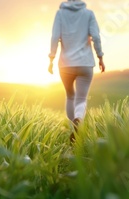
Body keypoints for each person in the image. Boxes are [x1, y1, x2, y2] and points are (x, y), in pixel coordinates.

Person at [48, 0, 105, 142]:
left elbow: (55, 37)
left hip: (65, 64)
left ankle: (73, 127)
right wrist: (100, 57)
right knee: (81, 98)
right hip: (85, 63)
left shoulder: (60, 14)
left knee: (70, 96)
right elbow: (96, 37)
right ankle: (78, 119)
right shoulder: (89, 14)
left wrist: (51, 58)